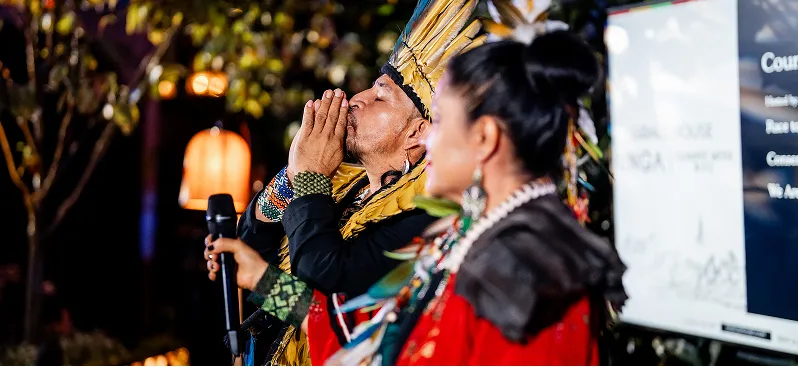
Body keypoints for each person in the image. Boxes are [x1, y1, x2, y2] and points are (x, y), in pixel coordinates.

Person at [320, 1, 626, 364]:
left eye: (441, 120)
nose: (428, 139)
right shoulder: (468, 236)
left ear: (484, 138)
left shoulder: (528, 276)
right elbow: (367, 337)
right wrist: (264, 282)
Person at [205, 1, 485, 364]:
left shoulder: (428, 214)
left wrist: (310, 178)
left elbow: (330, 293)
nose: (357, 100)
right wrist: (295, 174)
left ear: (418, 133)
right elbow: (253, 242)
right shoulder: (345, 185)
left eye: (381, 96)